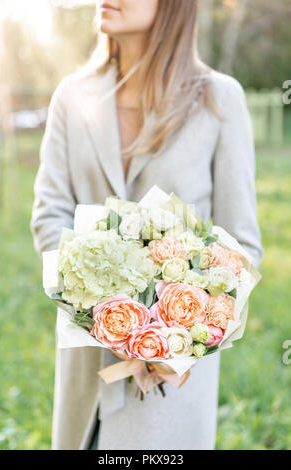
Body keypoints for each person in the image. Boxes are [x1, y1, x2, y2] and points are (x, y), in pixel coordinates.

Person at [30, 0, 263, 450]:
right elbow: (49, 213)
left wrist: (177, 339)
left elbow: (243, 244)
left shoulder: (219, 98)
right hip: (87, 364)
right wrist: (103, 314)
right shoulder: (71, 95)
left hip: (173, 379)